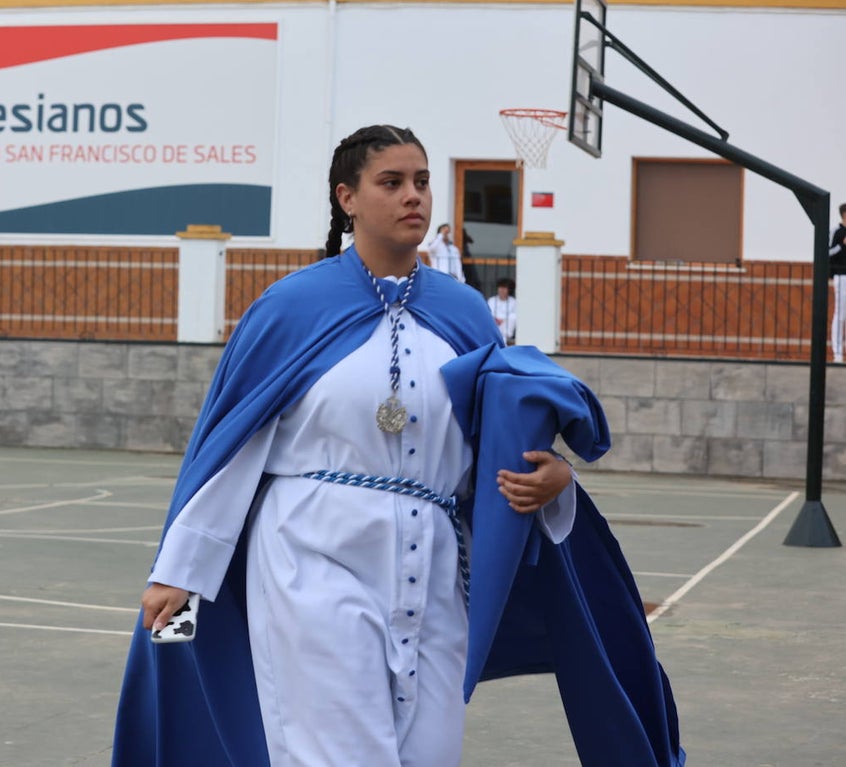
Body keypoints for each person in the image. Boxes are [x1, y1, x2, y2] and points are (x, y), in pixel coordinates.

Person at [113, 125, 684, 767]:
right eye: (391, 183)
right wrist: (179, 571)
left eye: (421, 182)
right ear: (347, 198)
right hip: (310, 556)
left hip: (432, 567)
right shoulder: (291, 307)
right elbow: (233, 448)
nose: (413, 196)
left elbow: (493, 441)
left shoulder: (465, 313)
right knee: (339, 754)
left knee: (430, 754)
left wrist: (552, 484)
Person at [829, 202, 846, 363]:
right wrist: (842, 245)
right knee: (840, 314)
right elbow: (827, 252)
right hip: (841, 276)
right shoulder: (836, 231)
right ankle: (838, 353)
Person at [487, 276, 518, 344]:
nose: (501, 290)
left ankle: (506, 337)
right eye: (500, 287)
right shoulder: (492, 300)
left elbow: (515, 315)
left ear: (509, 290)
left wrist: (503, 320)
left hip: (505, 325)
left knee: (513, 317)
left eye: (504, 288)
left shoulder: (513, 302)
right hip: (494, 324)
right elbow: (488, 313)